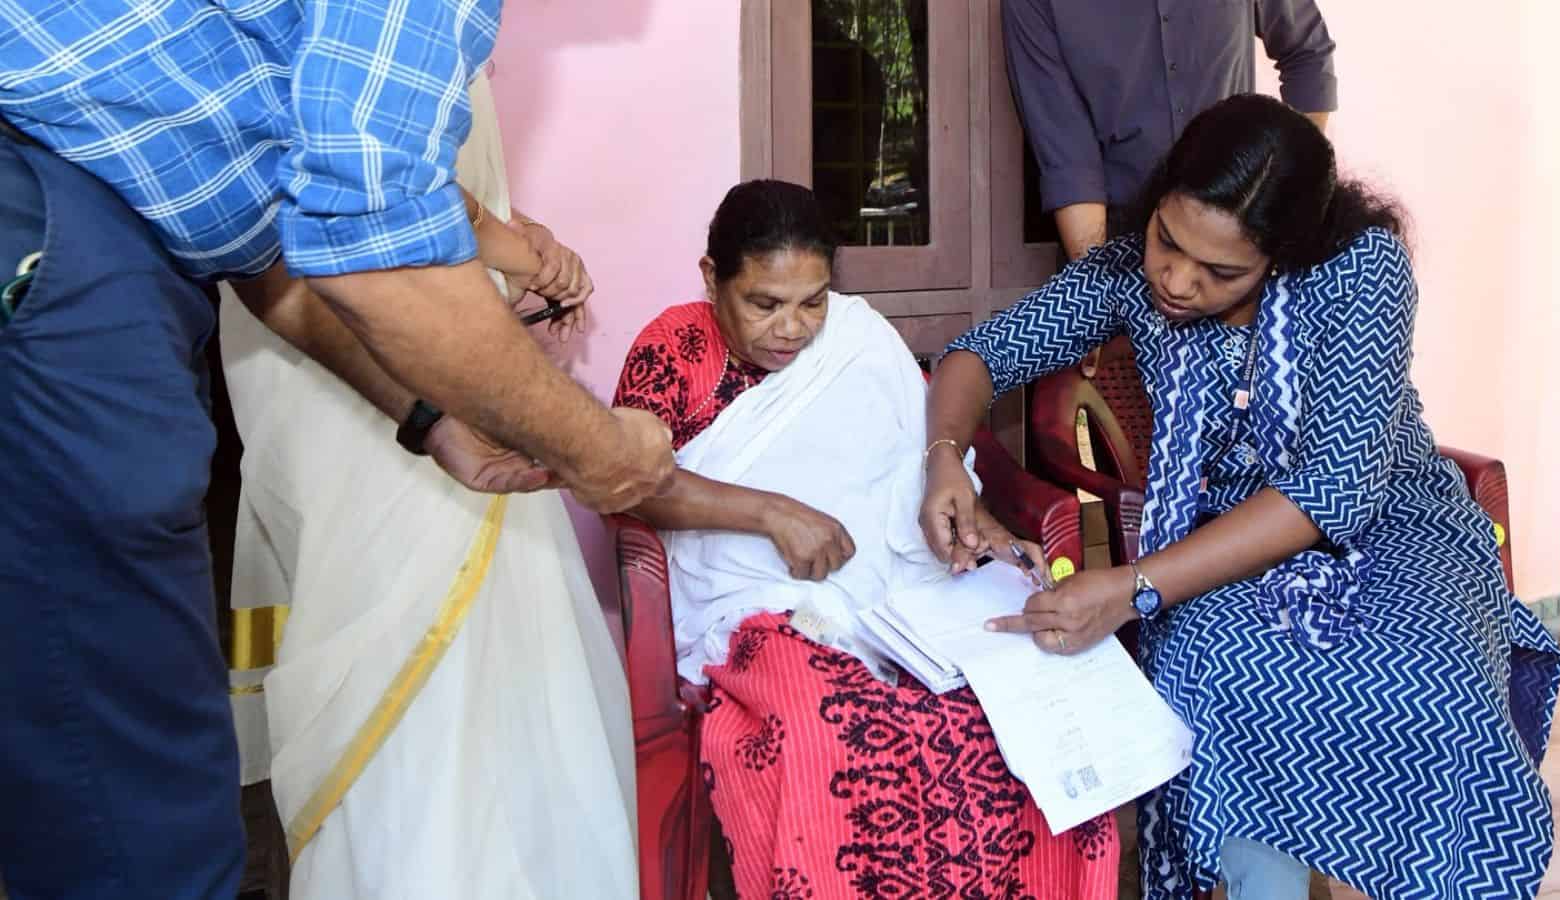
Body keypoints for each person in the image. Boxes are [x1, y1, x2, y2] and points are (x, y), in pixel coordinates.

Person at [0, 3, 671, 897]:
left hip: (140, 246)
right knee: (141, 809)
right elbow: (371, 249)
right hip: (49, 215)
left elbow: (274, 234)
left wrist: (431, 417)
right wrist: (602, 454)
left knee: (107, 766)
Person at [921, 94, 1560, 899]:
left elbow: (1333, 489)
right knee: (1208, 660)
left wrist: (1130, 587)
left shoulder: (1360, 270)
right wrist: (946, 457)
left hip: (1393, 525)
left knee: (1430, 682)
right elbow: (980, 356)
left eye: (1221, 271)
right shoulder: (1129, 273)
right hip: (1218, 541)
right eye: (1167, 241)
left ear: (1284, 254)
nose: (1177, 280)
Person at [612, 179, 1121, 899]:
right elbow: (626, 480)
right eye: (764, 303)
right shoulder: (678, 346)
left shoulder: (858, 339)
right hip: (753, 602)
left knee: (1019, 710)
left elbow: (916, 462)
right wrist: (772, 514)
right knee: (827, 722)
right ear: (710, 279)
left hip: (895, 591)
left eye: (812, 301)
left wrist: (991, 534)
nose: (792, 328)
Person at [218, 76, 637, 899]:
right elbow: (373, 169)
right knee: (390, 631)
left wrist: (508, 243)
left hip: (421, 329)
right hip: (345, 347)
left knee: (493, 631)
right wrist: (524, 251)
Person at [1003, 0, 1337, 260]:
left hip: (1241, 227)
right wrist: (1099, 292)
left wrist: (1291, 193)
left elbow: (1307, 57)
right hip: (1120, 245)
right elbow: (1069, 162)